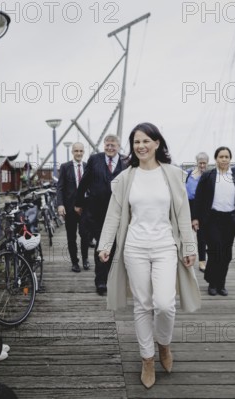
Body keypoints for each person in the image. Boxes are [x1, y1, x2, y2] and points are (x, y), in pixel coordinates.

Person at [97, 122, 201, 389]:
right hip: (134, 247)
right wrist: (105, 244)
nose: (141, 146)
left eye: (146, 141)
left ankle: (164, 344)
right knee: (143, 305)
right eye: (136, 142)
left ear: (157, 143)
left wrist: (189, 248)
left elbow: (182, 214)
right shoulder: (125, 178)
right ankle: (147, 358)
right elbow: (115, 214)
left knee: (165, 304)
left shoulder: (174, 174)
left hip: (166, 245)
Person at [192, 146, 235, 296]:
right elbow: (198, 198)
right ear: (216, 159)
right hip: (212, 219)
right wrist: (195, 218)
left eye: (226, 157)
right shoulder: (208, 176)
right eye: (221, 157)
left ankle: (221, 283)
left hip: (231, 219)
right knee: (215, 251)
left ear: (230, 159)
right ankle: (212, 282)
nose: (224, 159)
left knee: (226, 254)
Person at [75, 134, 125, 295]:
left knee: (115, 246)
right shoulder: (94, 159)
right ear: (104, 145)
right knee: (101, 245)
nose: (110, 148)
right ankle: (101, 282)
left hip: (118, 212)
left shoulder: (126, 163)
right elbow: (84, 181)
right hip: (96, 212)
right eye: (107, 145)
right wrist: (78, 203)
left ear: (118, 146)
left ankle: (112, 278)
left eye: (113, 145)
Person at [57, 142, 90, 272]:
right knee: (71, 236)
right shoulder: (65, 167)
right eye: (76, 151)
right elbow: (60, 187)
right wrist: (60, 204)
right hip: (69, 208)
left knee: (85, 235)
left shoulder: (88, 167)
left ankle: (85, 259)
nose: (79, 153)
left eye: (81, 151)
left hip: (85, 208)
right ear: (72, 152)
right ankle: (74, 262)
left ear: (83, 152)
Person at [185, 152, 209, 272]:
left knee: (201, 234)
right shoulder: (189, 173)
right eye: (200, 163)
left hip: (201, 206)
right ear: (197, 163)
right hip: (188, 205)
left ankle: (202, 262)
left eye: (204, 163)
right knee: (185, 232)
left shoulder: (208, 175)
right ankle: (184, 257)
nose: (202, 165)